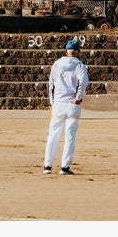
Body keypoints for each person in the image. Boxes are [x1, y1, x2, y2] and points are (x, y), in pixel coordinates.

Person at [42, 37, 89, 174]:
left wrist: (52, 103)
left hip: (58, 102)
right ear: (78, 52)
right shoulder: (80, 65)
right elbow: (83, 82)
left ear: (65, 51)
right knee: (70, 136)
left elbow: (51, 84)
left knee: (53, 134)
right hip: (71, 104)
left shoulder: (57, 64)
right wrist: (78, 98)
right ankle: (65, 166)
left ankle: (47, 165)